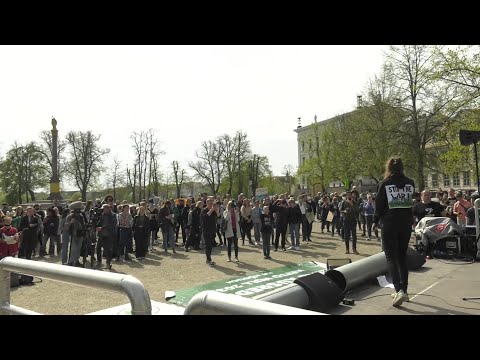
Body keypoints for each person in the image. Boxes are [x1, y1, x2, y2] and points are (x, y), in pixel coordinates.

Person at [373, 156, 415, 307]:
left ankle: (399, 291)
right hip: (405, 223)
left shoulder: (384, 183)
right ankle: (404, 289)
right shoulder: (410, 183)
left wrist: (375, 221)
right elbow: (410, 204)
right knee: (402, 257)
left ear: (388, 167)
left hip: (390, 223)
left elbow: (379, 205)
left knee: (390, 257)